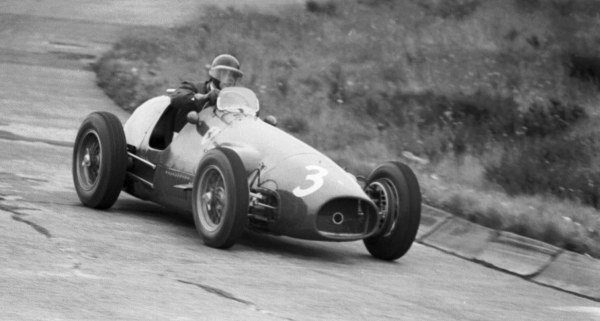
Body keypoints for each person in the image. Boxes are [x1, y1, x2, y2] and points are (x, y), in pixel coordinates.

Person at [170, 54, 244, 131]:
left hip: (218, 140)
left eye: (234, 76)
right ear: (216, 74)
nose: (230, 79)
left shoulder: (235, 101)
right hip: (186, 137)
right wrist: (203, 98)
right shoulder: (193, 87)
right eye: (225, 74)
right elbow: (177, 97)